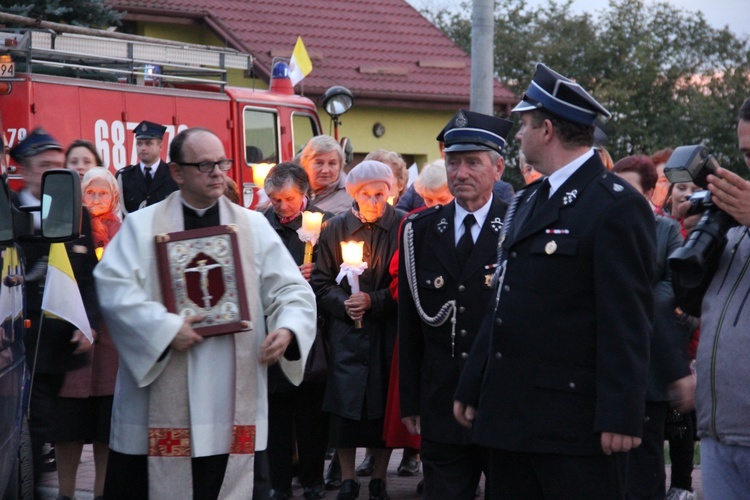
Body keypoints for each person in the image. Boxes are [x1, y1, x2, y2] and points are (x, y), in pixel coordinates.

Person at [453, 63, 656, 498]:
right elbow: (503, 299)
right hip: (511, 416)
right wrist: (474, 382)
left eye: (524, 124)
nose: (519, 134)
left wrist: (621, 414)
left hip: (573, 425)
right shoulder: (528, 198)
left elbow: (628, 319)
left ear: (547, 129)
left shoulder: (614, 205)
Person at [94, 127, 317, 499]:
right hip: (158, 400)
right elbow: (114, 288)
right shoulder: (142, 226)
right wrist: (163, 329)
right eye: (205, 165)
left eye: (222, 163)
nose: (218, 172)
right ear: (177, 172)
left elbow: (290, 289)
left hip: (233, 395)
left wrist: (288, 328)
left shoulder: (252, 226)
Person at [398, 109, 511, 499]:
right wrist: (409, 399)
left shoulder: (519, 227)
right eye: (453, 162)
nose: (460, 173)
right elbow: (410, 323)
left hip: (503, 400)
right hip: (441, 398)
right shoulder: (420, 230)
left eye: (472, 163)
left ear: (498, 168)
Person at [9, 128, 101, 498]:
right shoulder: (9, 209)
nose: (52, 172)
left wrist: (88, 320)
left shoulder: (73, 212)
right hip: (20, 340)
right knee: (27, 430)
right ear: (27, 170)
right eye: (44, 165)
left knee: (58, 429)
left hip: (62, 342)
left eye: (57, 166)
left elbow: (90, 278)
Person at [311, 160, 404, 500]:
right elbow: (321, 281)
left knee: (382, 408)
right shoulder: (335, 228)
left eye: (381, 194)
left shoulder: (401, 227)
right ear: (354, 194)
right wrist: (343, 302)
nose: (375, 201)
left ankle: (379, 476)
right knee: (346, 410)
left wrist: (373, 300)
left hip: (385, 331)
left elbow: (406, 285)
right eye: (367, 194)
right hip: (347, 334)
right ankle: (348, 478)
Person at [672, 97, 750, 499]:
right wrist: (699, 240)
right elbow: (691, 303)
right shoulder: (735, 221)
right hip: (720, 431)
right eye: (747, 153)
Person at [613, 155, 694, 499]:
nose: (618, 195)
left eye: (628, 189)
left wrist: (625, 301)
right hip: (607, 370)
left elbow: (671, 289)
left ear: (649, 192)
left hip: (650, 366)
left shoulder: (666, 230)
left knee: (645, 468)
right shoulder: (604, 229)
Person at [262, 163, 333, 500]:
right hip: (272, 324)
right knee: (276, 409)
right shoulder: (261, 224)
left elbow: (340, 272)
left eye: (288, 198)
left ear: (305, 194)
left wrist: (317, 271)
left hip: (312, 329)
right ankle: (277, 482)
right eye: (275, 200)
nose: (281, 207)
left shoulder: (325, 224)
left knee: (310, 410)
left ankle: (312, 478)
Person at [53, 167, 122, 500]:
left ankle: (101, 493)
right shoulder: (69, 230)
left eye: (103, 193)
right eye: (90, 193)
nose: (96, 200)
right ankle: (65, 493)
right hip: (74, 335)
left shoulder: (124, 233)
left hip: (111, 343)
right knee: (68, 426)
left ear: (115, 197)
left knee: (105, 430)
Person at [116, 120, 178, 215]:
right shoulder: (124, 177)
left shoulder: (173, 175)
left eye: (148, 143)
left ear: (160, 147)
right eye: (139, 143)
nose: (143, 148)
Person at [300, 135, 352, 215]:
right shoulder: (292, 189)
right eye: (319, 163)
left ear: (340, 166)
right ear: (305, 163)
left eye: (332, 163)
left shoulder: (350, 197)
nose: (325, 170)